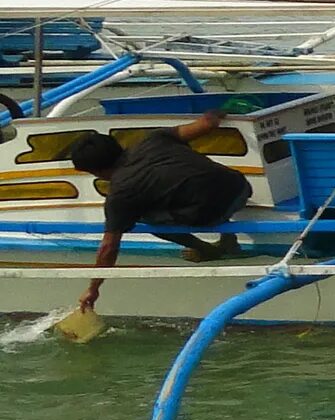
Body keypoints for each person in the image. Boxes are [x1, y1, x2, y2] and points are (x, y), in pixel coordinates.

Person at [68, 111, 253, 315]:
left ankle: (207, 250)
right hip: (241, 189)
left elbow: (109, 247)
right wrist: (221, 109)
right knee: (191, 186)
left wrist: (93, 288)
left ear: (95, 171)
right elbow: (207, 123)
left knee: (146, 218)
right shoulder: (154, 139)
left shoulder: (120, 193)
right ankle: (227, 238)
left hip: (212, 213)